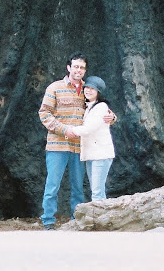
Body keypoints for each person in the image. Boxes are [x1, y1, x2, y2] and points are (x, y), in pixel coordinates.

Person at [38, 53, 115, 230]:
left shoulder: (88, 90)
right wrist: (64, 130)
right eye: (76, 67)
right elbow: (44, 113)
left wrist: (112, 117)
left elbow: (100, 109)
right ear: (68, 68)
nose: (78, 70)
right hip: (57, 145)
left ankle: (76, 220)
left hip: (79, 147)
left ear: (85, 70)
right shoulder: (55, 88)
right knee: (52, 185)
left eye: (82, 68)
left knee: (78, 187)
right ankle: (48, 221)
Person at [66, 75, 114, 201]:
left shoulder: (101, 107)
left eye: (92, 89)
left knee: (97, 192)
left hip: (101, 154)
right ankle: (102, 217)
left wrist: (70, 131)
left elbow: (88, 129)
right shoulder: (88, 106)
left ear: (98, 92)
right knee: (97, 190)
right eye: (86, 87)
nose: (88, 90)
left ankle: (98, 219)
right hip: (92, 154)